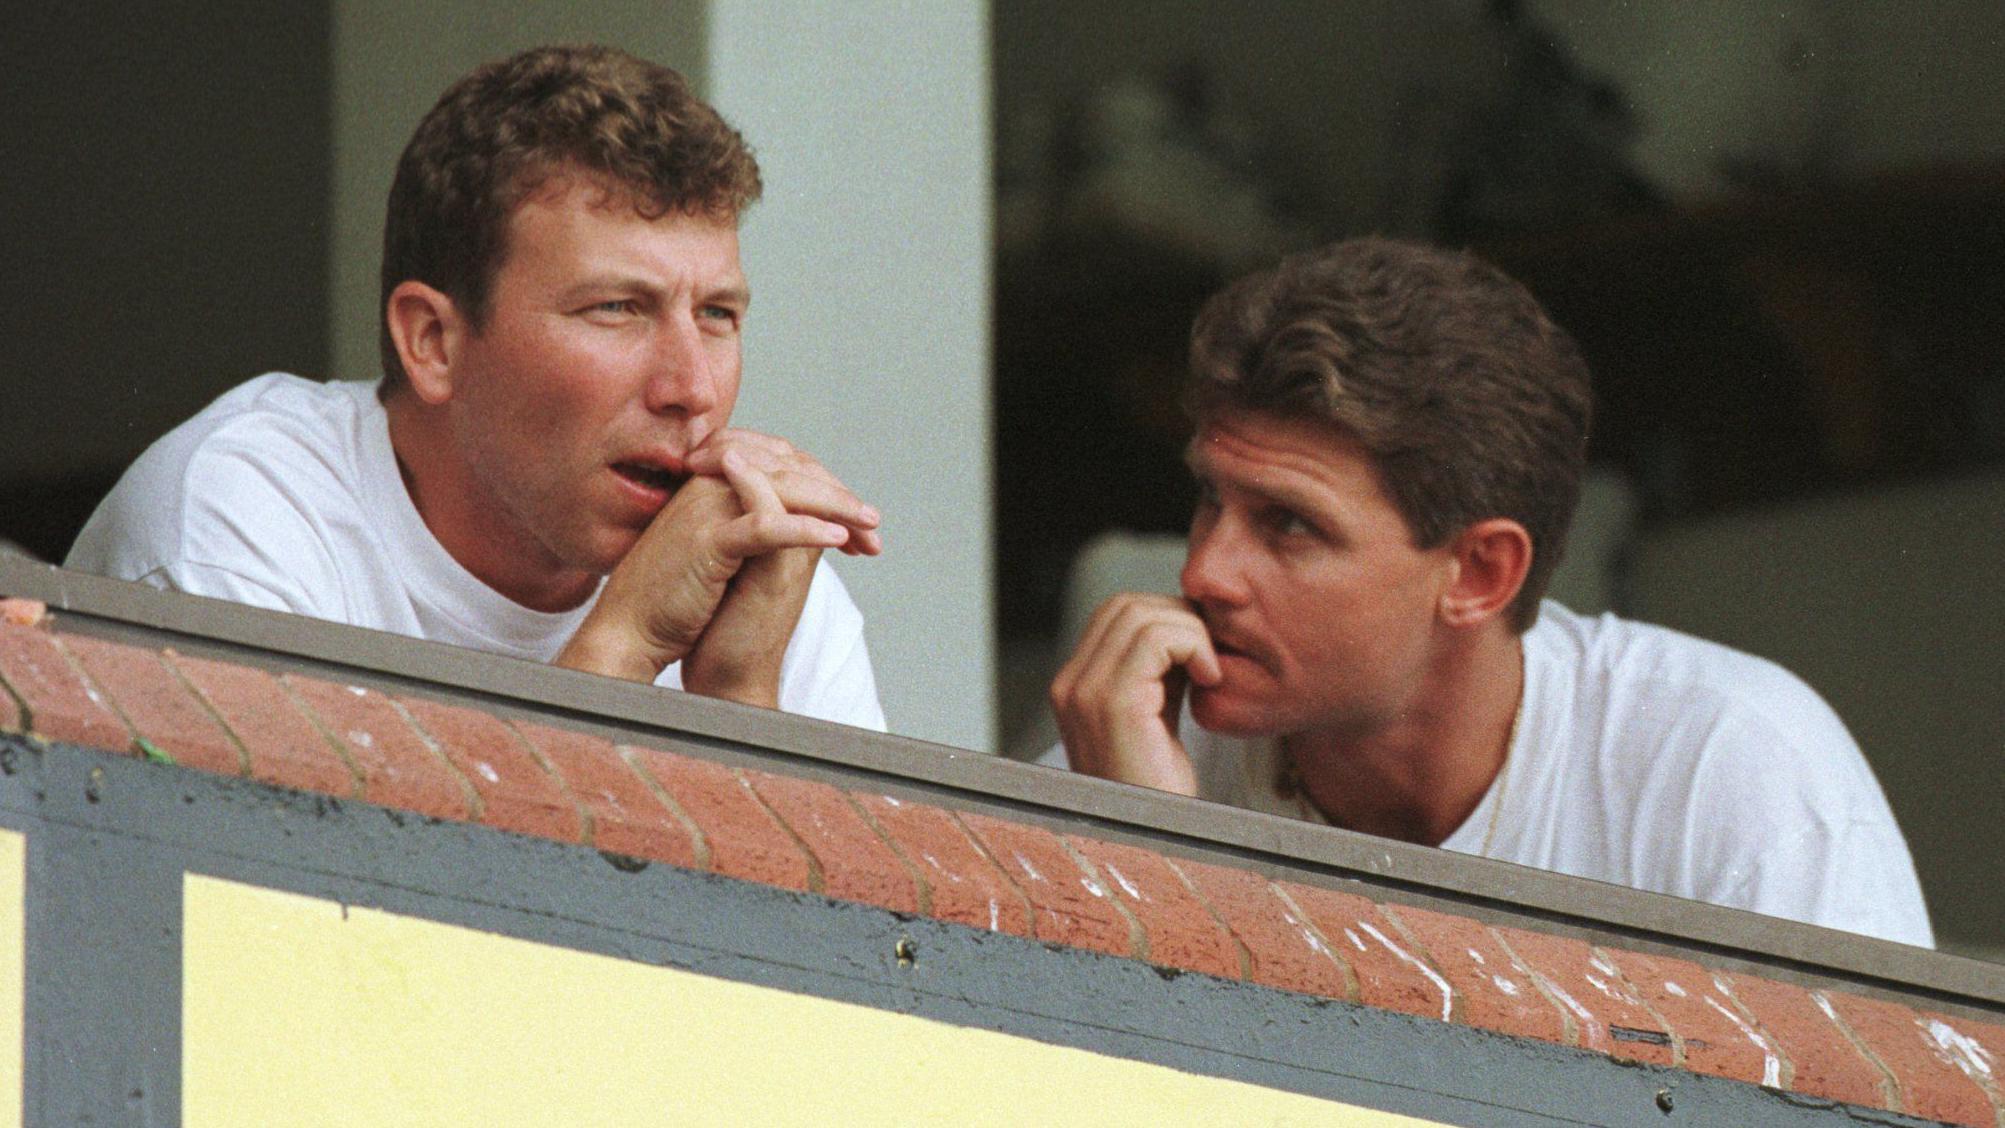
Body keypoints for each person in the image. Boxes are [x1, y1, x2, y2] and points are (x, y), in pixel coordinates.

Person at [1046, 237, 1932, 947]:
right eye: (1211, 497)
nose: (1203, 572)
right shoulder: (1142, 755)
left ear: (1478, 575)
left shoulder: (1729, 766)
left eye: (1288, 524)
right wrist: (1145, 853)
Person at [68, 45, 886, 729]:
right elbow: (289, 877)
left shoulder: (760, 578)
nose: (692, 388)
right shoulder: (240, 513)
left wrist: (738, 702)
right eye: (616, 308)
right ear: (433, 343)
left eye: (716, 315)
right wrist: (623, 648)